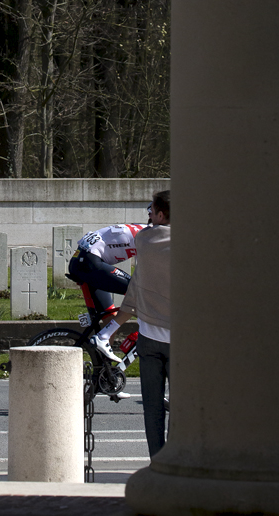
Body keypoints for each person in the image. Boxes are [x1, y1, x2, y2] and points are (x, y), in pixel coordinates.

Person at [119, 190, 171, 457]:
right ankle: (175, 460)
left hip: (149, 337)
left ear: (161, 214)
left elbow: (136, 283)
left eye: (151, 210)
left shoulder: (145, 240)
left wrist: (118, 321)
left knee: (152, 407)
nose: (148, 215)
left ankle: (156, 461)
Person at [68, 221, 148, 363]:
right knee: (136, 292)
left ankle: (104, 372)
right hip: (90, 262)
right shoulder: (151, 236)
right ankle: (104, 337)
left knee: (109, 316)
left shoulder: (144, 229)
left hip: (83, 259)